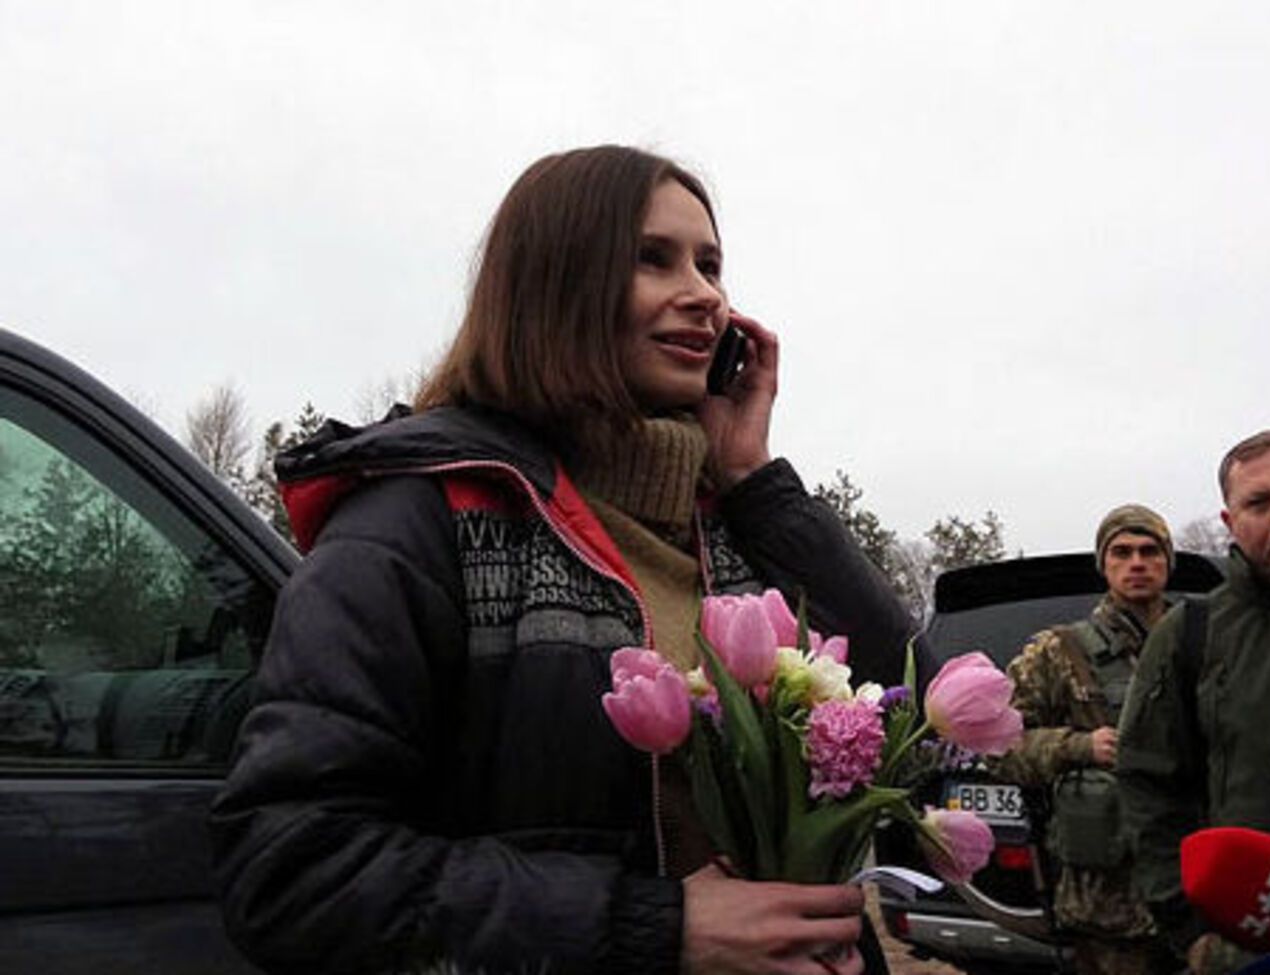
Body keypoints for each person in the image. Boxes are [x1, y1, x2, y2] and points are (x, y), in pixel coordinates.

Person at [210, 145, 930, 975]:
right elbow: (292, 867)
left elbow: (923, 712)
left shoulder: (734, 528)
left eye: (710, 264)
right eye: (653, 260)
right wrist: (656, 927)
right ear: (555, 284)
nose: (705, 295)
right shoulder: (422, 519)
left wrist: (758, 481)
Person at [1118, 429, 1270, 975]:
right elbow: (1146, 784)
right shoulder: (1191, 633)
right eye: (1259, 502)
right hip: (1252, 938)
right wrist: (1192, 932)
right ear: (1229, 523)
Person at [995, 504, 1179, 975]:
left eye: (1149, 550)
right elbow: (998, 745)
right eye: (1121, 552)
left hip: (1195, 893)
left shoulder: (1201, 639)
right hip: (1106, 909)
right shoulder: (1060, 651)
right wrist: (1079, 746)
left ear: (1166, 561)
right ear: (1104, 564)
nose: (1136, 562)